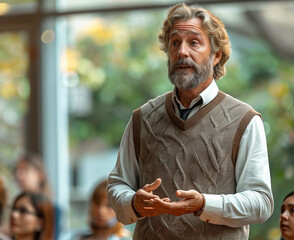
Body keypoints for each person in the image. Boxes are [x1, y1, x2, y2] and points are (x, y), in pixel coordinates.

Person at [107, 3, 273, 239]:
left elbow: (261, 202)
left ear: (216, 55)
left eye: (194, 42)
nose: (182, 51)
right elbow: (116, 186)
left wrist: (204, 205)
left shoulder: (245, 120)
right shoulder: (142, 118)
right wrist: (133, 201)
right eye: (175, 43)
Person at [14, 153, 61, 238]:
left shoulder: (53, 209)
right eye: (18, 170)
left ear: (39, 175)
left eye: (25, 170)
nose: (18, 175)